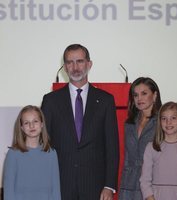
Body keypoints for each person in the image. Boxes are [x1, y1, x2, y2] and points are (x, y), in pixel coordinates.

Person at [41, 44, 119, 200]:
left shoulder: (105, 100)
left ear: (89, 64)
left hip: (95, 187)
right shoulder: (50, 101)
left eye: (80, 61)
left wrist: (109, 185)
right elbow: (44, 144)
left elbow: (112, 146)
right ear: (64, 67)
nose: (75, 67)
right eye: (70, 62)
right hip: (60, 185)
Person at [140, 101, 177, 200]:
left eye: (173, 118)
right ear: (160, 121)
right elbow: (145, 180)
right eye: (164, 118)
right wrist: (150, 198)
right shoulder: (151, 147)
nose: (168, 122)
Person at [3, 105, 61, 200]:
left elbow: (55, 191)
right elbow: (9, 192)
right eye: (26, 123)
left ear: (42, 124)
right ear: (21, 127)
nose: (31, 126)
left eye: (35, 121)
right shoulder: (13, 154)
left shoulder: (51, 153)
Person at [119, 77, 162, 200]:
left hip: (152, 185)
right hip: (128, 185)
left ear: (154, 96)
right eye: (135, 95)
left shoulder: (162, 122)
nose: (139, 99)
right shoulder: (129, 123)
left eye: (144, 93)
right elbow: (127, 156)